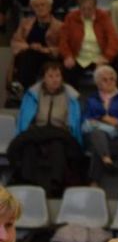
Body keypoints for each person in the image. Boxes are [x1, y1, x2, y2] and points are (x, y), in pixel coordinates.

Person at [10, 60, 84, 195]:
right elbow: (25, 119)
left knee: (57, 146)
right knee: (29, 146)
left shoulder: (71, 97)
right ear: (43, 78)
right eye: (50, 76)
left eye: (58, 76)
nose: (55, 79)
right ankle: (27, 182)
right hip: (37, 131)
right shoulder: (32, 95)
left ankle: (56, 185)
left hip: (60, 132)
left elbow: (73, 123)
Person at [82, 64, 118, 185]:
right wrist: (104, 120)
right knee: (97, 134)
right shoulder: (92, 99)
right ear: (98, 83)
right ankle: (106, 158)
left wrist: (114, 121)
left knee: (97, 147)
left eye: (112, 79)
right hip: (96, 136)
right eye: (105, 80)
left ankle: (94, 183)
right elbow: (85, 119)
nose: (110, 82)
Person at [59, 0, 118, 90]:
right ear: (79, 8)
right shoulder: (70, 18)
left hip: (100, 57)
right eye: (83, 9)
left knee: (116, 68)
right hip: (78, 58)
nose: (86, 12)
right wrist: (68, 56)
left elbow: (114, 39)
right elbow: (63, 40)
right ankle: (73, 98)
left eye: (90, 9)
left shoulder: (103, 17)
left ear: (95, 8)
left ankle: (115, 96)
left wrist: (106, 57)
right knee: (67, 71)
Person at [8, 0, 60, 97]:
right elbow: (15, 42)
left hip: (48, 58)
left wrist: (45, 49)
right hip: (28, 55)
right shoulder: (25, 23)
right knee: (29, 55)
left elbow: (62, 48)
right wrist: (29, 46)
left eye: (43, 5)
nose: (40, 8)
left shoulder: (60, 26)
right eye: (36, 6)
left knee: (30, 56)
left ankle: (23, 89)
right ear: (33, 8)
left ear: (50, 7)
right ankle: (25, 90)